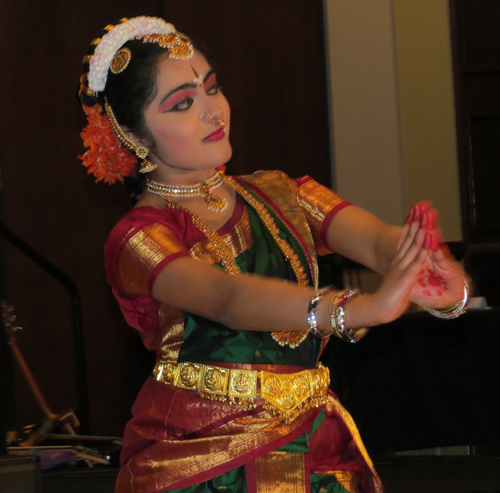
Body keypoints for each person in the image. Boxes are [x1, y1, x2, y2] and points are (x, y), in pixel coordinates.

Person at [78, 16, 468, 493]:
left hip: (313, 446)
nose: (213, 112)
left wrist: (422, 265)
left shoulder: (281, 193)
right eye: (182, 103)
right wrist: (354, 308)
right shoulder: (139, 236)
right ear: (134, 137)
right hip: (204, 458)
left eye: (212, 88)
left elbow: (373, 240)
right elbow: (225, 298)